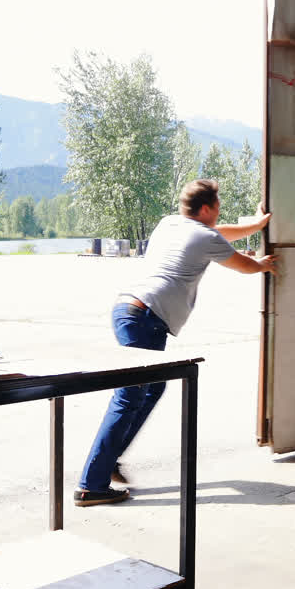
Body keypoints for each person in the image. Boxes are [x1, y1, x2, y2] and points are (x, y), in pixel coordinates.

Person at [74, 179, 277, 506]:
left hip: (132, 310)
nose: (219, 213)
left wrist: (255, 226)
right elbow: (243, 264)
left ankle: (107, 461)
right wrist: (263, 265)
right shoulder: (205, 236)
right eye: (218, 207)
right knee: (129, 396)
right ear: (207, 208)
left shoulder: (170, 224)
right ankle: (90, 485)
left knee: (152, 388)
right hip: (145, 317)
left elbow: (219, 233)